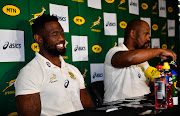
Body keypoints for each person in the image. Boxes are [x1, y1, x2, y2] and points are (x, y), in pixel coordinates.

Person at [15, 14, 94, 116]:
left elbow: (89, 108)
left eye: (62, 33)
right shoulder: (29, 73)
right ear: (38, 38)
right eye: (55, 34)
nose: (61, 38)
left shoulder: (73, 69)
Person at [103, 19, 177, 103]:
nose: (148, 39)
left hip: (144, 106)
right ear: (133, 34)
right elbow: (129, 58)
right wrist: (159, 51)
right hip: (120, 109)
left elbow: (147, 84)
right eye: (146, 34)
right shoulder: (114, 52)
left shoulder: (143, 59)